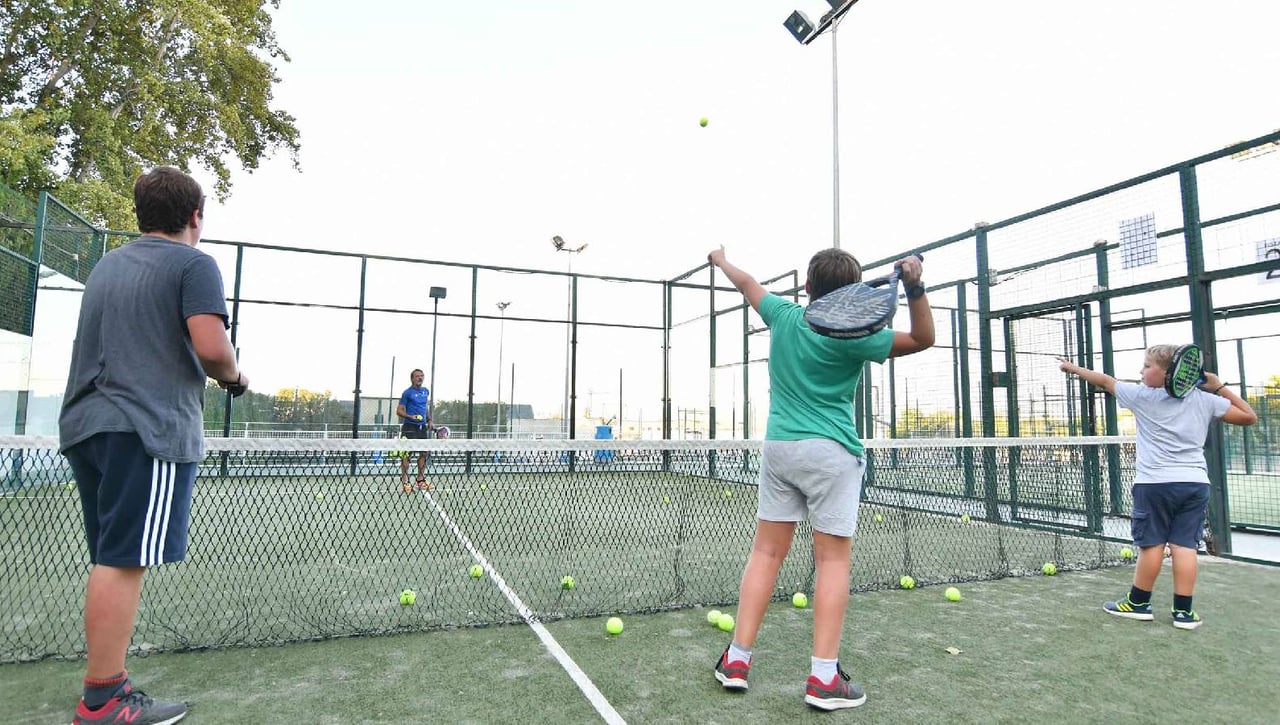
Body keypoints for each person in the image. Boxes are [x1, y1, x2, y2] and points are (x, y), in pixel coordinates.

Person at [708, 246, 934, 710]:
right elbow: (923, 339)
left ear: (807, 287)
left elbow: (747, 283)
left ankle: (737, 659)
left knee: (766, 552)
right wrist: (914, 287)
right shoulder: (860, 337)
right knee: (832, 563)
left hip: (781, 450)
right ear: (852, 294)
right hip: (831, 455)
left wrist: (721, 260)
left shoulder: (785, 316)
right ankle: (824, 679)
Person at [59, 166, 247, 724]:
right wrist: (235, 378)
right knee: (123, 561)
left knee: (110, 558)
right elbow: (212, 348)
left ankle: (104, 687)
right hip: (146, 429)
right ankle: (103, 698)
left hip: (87, 428)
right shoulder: (194, 263)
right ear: (195, 216)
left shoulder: (107, 267)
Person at [1059, 345, 1256, 629]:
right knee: (1185, 546)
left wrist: (1072, 368)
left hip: (1155, 485)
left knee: (1152, 545)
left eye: (1147, 365)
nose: (1141, 371)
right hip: (1195, 484)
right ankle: (1184, 613)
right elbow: (1248, 416)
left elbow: (1104, 380)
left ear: (1167, 374)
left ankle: (1138, 603)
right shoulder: (1205, 399)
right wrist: (1219, 386)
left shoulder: (1142, 397)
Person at [396, 368, 432, 491]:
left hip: (422, 428)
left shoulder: (426, 391)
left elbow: (425, 408)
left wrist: (429, 420)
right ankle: (405, 482)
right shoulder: (407, 393)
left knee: (424, 453)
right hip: (409, 427)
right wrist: (410, 416)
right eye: (417, 376)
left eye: (422, 376)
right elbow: (399, 410)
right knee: (407, 454)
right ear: (412, 378)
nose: (420, 378)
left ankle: (420, 481)